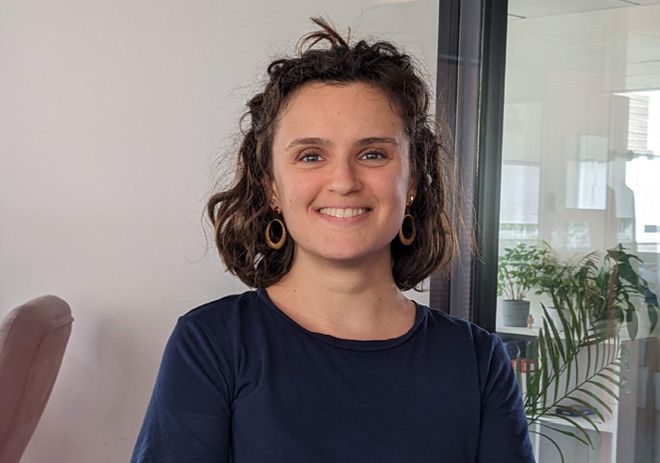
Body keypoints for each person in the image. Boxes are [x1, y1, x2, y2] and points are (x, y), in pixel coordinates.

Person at [130, 18, 534, 463]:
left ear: (414, 181)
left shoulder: (476, 360)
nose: (343, 181)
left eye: (373, 154)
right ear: (271, 185)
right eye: (311, 156)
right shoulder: (212, 344)